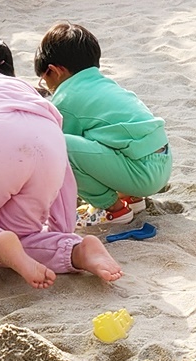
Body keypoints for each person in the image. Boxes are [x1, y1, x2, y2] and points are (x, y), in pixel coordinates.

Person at [0, 35, 124, 288]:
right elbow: (64, 178)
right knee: (23, 238)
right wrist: (64, 231)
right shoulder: (23, 89)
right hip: (49, 144)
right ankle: (77, 252)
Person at [34, 21, 172, 227]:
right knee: (100, 137)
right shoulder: (104, 84)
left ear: (54, 71)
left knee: (56, 144)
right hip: (162, 163)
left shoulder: (66, 98)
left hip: (142, 173)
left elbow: (59, 160)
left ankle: (114, 209)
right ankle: (132, 198)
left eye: (44, 80)